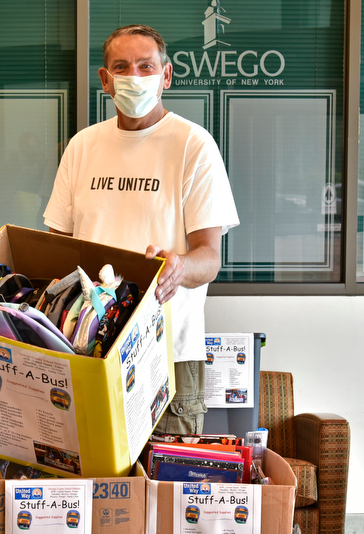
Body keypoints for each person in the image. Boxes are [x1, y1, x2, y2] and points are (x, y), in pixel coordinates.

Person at [43, 24, 239, 434]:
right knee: (95, 488)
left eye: (146, 66)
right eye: (121, 67)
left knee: (168, 489)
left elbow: (210, 257)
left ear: (165, 75)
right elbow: (55, 251)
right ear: (105, 79)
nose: (134, 77)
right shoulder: (82, 147)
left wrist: (181, 266)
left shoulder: (193, 146)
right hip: (87, 349)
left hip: (166, 354)